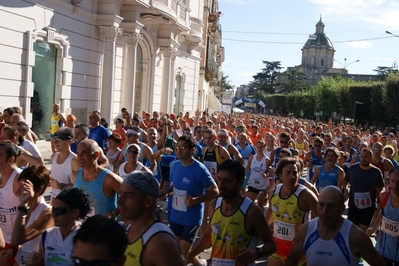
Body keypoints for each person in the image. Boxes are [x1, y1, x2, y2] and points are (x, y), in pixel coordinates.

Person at [185, 160, 277, 265]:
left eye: (227, 181)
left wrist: (257, 252)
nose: (221, 185)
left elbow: (271, 245)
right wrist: (188, 258)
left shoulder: (252, 211)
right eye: (219, 179)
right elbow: (207, 236)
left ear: (240, 183)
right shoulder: (214, 205)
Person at [285, 186, 386, 266]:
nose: (325, 211)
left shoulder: (355, 236)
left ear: (342, 209)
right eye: (321, 204)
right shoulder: (305, 230)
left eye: (331, 206)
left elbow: (379, 264)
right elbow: (292, 261)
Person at [162, 135, 219, 266]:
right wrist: (167, 192)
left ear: (192, 150)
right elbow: (174, 185)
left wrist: (195, 200)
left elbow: (215, 191)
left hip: (191, 219)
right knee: (179, 252)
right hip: (175, 215)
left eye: (183, 147)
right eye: (177, 147)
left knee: (181, 255)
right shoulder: (175, 165)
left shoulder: (200, 169)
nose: (179, 150)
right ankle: (202, 265)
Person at [118, 172, 185, 266]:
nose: (120, 201)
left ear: (148, 201)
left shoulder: (161, 243)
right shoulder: (127, 226)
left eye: (128, 195)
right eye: (120, 194)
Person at [265, 157, 318, 266]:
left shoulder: (306, 195)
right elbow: (269, 220)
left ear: (299, 175)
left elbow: (322, 220)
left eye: (295, 173)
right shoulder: (273, 193)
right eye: (288, 173)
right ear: (280, 175)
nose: (292, 177)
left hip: (299, 254)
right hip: (277, 250)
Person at [26, 188, 91, 265]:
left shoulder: (85, 237)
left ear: (75, 212)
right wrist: (33, 263)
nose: (54, 215)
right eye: (53, 210)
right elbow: (41, 263)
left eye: (59, 211)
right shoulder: (46, 235)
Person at [6, 165, 54, 265]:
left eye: (23, 188)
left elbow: (17, 240)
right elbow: (18, 244)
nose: (18, 192)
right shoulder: (24, 208)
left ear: (38, 190)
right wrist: (12, 251)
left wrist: (23, 206)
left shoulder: (47, 213)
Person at [73, 139, 123, 217]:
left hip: (104, 228)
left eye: (84, 153)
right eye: (78, 153)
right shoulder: (75, 175)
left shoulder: (109, 179)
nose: (79, 157)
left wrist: (114, 213)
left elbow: (132, 198)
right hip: (83, 227)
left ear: (96, 155)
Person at [344, 147, 385, 231]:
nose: (363, 159)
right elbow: (345, 181)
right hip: (353, 206)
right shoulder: (353, 169)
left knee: (362, 231)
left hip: (368, 207)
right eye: (362, 156)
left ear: (371, 157)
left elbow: (381, 186)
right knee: (351, 230)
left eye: (366, 157)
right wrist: (345, 190)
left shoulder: (376, 172)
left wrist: (379, 197)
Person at [49, 127, 79, 204]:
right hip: (54, 200)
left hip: (68, 204)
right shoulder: (53, 157)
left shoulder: (74, 161)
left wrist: (62, 186)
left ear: (69, 142)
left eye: (58, 140)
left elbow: (81, 185)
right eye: (54, 139)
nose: (55, 142)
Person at [245, 140, 273, 209]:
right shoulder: (252, 158)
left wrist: (266, 174)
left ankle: (261, 218)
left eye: (261, 147)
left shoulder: (266, 159)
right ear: (256, 148)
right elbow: (247, 168)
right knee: (248, 203)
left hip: (263, 186)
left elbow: (270, 171)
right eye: (258, 147)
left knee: (260, 206)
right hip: (253, 184)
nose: (259, 149)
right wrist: (243, 178)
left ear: (264, 148)